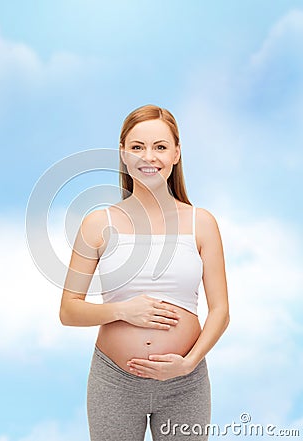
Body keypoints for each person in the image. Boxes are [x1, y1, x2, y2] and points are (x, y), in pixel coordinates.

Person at [59, 104, 230, 441]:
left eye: (160, 147)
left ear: (176, 153)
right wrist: (123, 310)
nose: (148, 157)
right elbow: (69, 310)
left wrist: (189, 362)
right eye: (137, 147)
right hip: (114, 381)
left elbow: (221, 311)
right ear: (123, 153)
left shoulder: (202, 223)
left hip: (185, 383)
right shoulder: (98, 223)